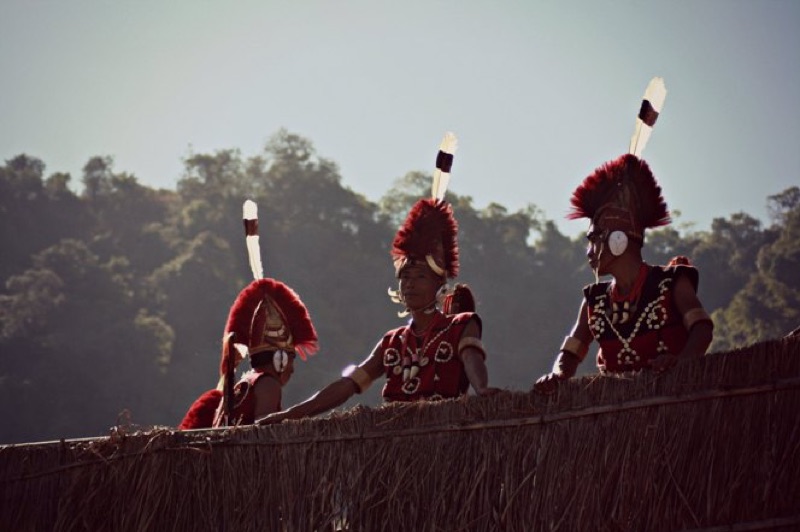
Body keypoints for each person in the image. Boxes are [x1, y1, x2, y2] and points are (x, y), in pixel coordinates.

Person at [534, 78, 713, 394]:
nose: (589, 251)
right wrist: (557, 375)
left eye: (595, 239)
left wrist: (680, 363)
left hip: (674, 400)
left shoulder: (671, 283)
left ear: (619, 239)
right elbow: (572, 350)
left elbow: (702, 328)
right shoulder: (594, 301)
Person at [258, 196, 499, 425]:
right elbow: (349, 384)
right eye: (405, 277)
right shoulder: (392, 342)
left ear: (439, 285)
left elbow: (471, 358)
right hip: (396, 439)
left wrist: (481, 388)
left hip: (443, 433)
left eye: (421, 277)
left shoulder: (460, 325)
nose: (410, 284)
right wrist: (293, 413)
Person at [178, 201, 319, 429]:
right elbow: (262, 434)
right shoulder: (268, 384)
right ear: (280, 359)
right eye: (291, 359)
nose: (293, 369)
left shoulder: (243, 383)